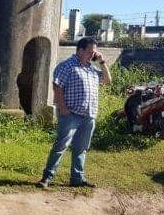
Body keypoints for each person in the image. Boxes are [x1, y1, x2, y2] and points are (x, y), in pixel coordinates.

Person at [38, 37, 112, 188]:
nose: (93, 55)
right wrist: (62, 108)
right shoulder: (67, 65)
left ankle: (77, 179)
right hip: (70, 114)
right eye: (90, 51)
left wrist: (102, 62)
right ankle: (47, 177)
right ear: (80, 51)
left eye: (94, 52)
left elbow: (107, 80)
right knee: (61, 146)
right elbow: (57, 86)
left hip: (89, 116)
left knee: (81, 148)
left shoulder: (91, 69)